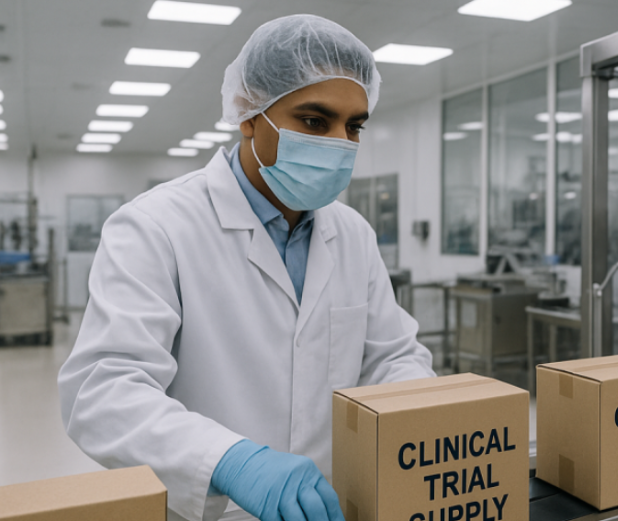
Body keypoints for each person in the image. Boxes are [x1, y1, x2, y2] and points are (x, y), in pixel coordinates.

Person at [57, 14, 435, 521]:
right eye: (315, 121)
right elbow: (102, 391)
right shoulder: (155, 226)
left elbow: (392, 356)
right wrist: (232, 461)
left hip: (327, 505)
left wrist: (411, 416)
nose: (341, 143)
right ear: (250, 114)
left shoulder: (352, 234)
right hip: (213, 507)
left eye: (354, 126)